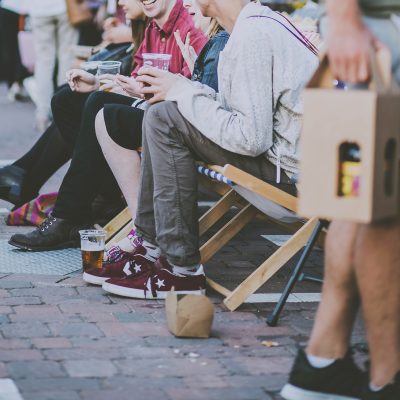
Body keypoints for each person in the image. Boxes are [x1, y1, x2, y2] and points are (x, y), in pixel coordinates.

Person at [93, 0, 318, 299]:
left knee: (164, 118)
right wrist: (182, 89)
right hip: (288, 166)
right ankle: (151, 247)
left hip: (293, 180)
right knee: (162, 112)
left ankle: (182, 271)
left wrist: (183, 90)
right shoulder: (249, 27)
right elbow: (239, 116)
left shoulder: (253, 34)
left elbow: (250, 138)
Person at [8, 0, 208, 252]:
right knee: (66, 100)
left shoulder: (189, 25)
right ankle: (101, 196)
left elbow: (202, 93)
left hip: (173, 122)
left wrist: (140, 91)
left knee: (99, 104)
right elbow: (135, 81)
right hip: (149, 111)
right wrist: (97, 82)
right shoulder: (152, 28)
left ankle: (69, 215)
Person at [281, 1, 400, 400]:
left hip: (374, 27)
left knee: (363, 199)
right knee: (387, 207)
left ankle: (323, 362)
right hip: (382, 27)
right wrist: (347, 20)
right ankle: (388, 376)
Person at [82, 0, 230, 285]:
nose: (188, 6)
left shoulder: (213, 40)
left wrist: (176, 86)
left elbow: (212, 113)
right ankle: (141, 235)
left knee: (142, 117)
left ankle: (166, 255)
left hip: (214, 141)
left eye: (192, 3)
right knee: (92, 104)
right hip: (187, 125)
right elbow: (189, 94)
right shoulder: (176, 34)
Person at [0, 0, 148, 210]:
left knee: (70, 93)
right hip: (139, 98)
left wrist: (123, 33)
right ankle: (23, 176)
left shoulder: (168, 19)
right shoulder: (150, 23)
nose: (121, 1)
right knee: (67, 93)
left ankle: (38, 186)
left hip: (149, 112)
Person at [28, 0, 79, 131]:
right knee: (66, 58)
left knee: (43, 62)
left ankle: (42, 115)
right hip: (65, 7)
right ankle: (62, 110)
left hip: (38, 9)